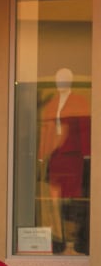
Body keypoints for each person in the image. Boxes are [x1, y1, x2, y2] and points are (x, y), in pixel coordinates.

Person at [38, 68, 91, 254]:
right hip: (55, 158)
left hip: (74, 158)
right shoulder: (52, 103)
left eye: (65, 79)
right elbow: (46, 130)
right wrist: (41, 155)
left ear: (70, 81)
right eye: (59, 79)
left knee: (75, 201)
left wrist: (86, 155)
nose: (61, 82)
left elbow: (85, 129)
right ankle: (58, 240)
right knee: (54, 202)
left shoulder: (79, 101)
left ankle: (77, 240)